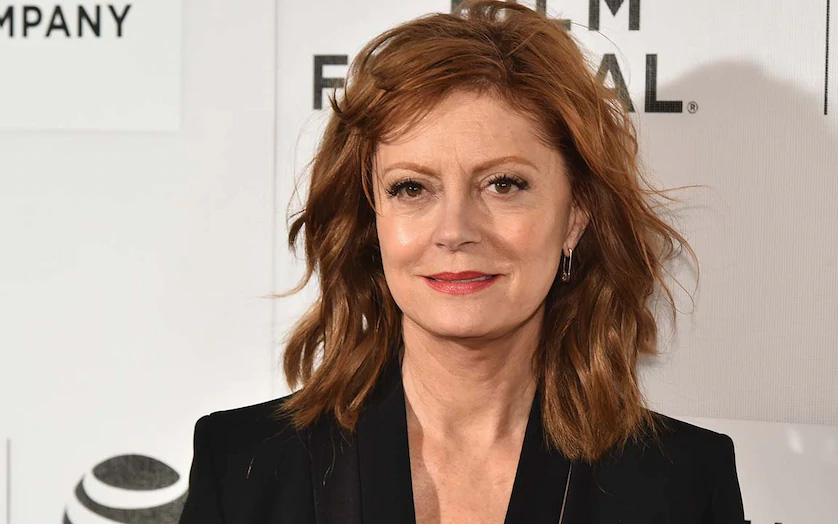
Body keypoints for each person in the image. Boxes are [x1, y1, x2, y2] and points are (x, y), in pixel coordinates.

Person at [178, 1, 744, 522]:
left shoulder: (682, 484)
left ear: (576, 215)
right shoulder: (245, 468)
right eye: (411, 188)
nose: (454, 231)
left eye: (503, 184)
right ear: (372, 220)